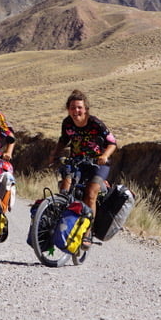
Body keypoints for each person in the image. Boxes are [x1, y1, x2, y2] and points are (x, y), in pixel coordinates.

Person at [48, 89, 117, 248]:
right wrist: (55, 153)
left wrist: (104, 155)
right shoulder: (67, 123)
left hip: (97, 164)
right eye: (72, 107)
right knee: (65, 187)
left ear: (86, 109)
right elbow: (63, 140)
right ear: (68, 109)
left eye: (79, 107)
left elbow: (112, 142)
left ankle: (87, 233)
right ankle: (61, 218)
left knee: (91, 193)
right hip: (76, 161)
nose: (75, 111)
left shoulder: (95, 124)